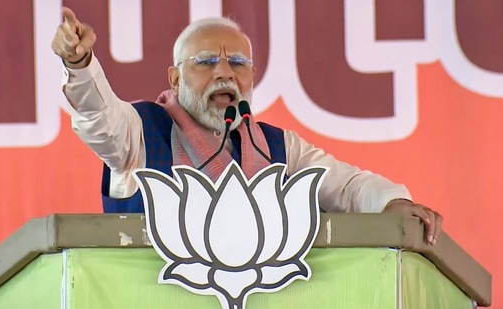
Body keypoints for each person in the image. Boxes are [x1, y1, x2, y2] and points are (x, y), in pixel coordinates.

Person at [51, 7, 443, 245]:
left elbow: (346, 186)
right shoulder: (141, 131)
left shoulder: (274, 146)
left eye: (238, 64)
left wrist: (394, 203)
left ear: (252, 76)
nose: (224, 73)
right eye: (205, 62)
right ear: (174, 79)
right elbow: (99, 118)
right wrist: (81, 65)